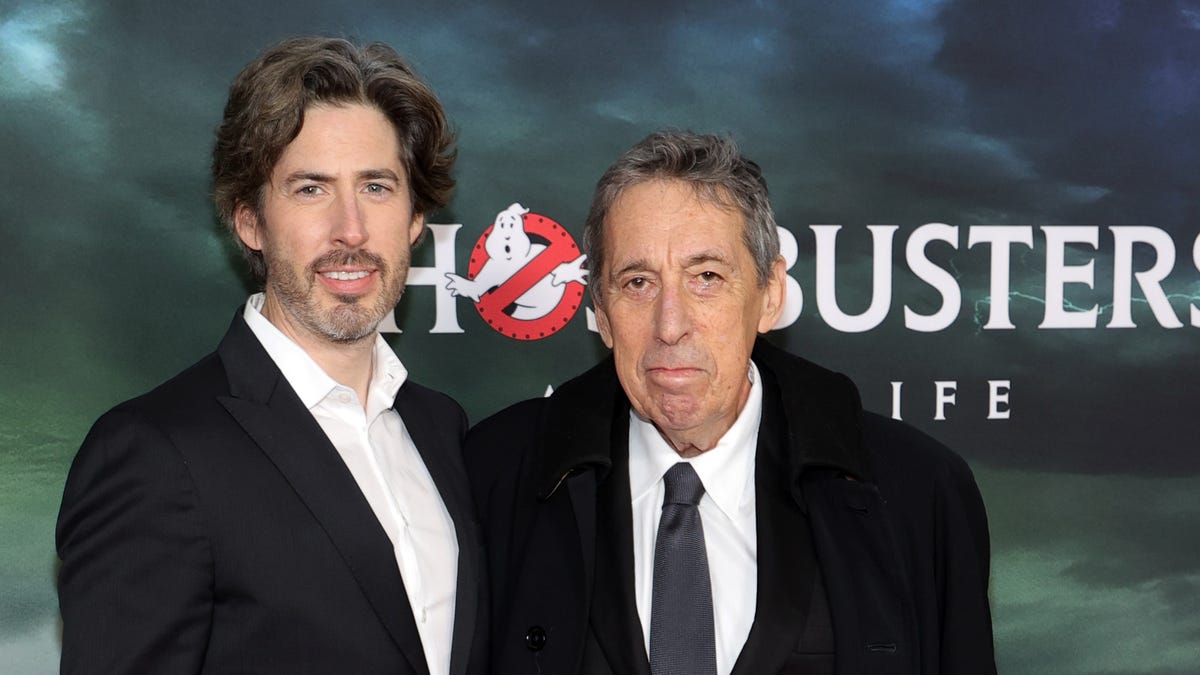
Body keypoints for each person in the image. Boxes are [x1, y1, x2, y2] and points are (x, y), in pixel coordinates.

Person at [465, 130, 996, 674]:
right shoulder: (496, 479)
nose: (670, 325)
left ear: (770, 295)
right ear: (601, 312)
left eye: (706, 277)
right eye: (638, 282)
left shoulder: (919, 494)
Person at [56, 37, 486, 675]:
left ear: (415, 219)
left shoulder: (440, 427)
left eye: (376, 186)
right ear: (249, 222)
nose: (351, 229)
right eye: (311, 189)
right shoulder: (153, 452)